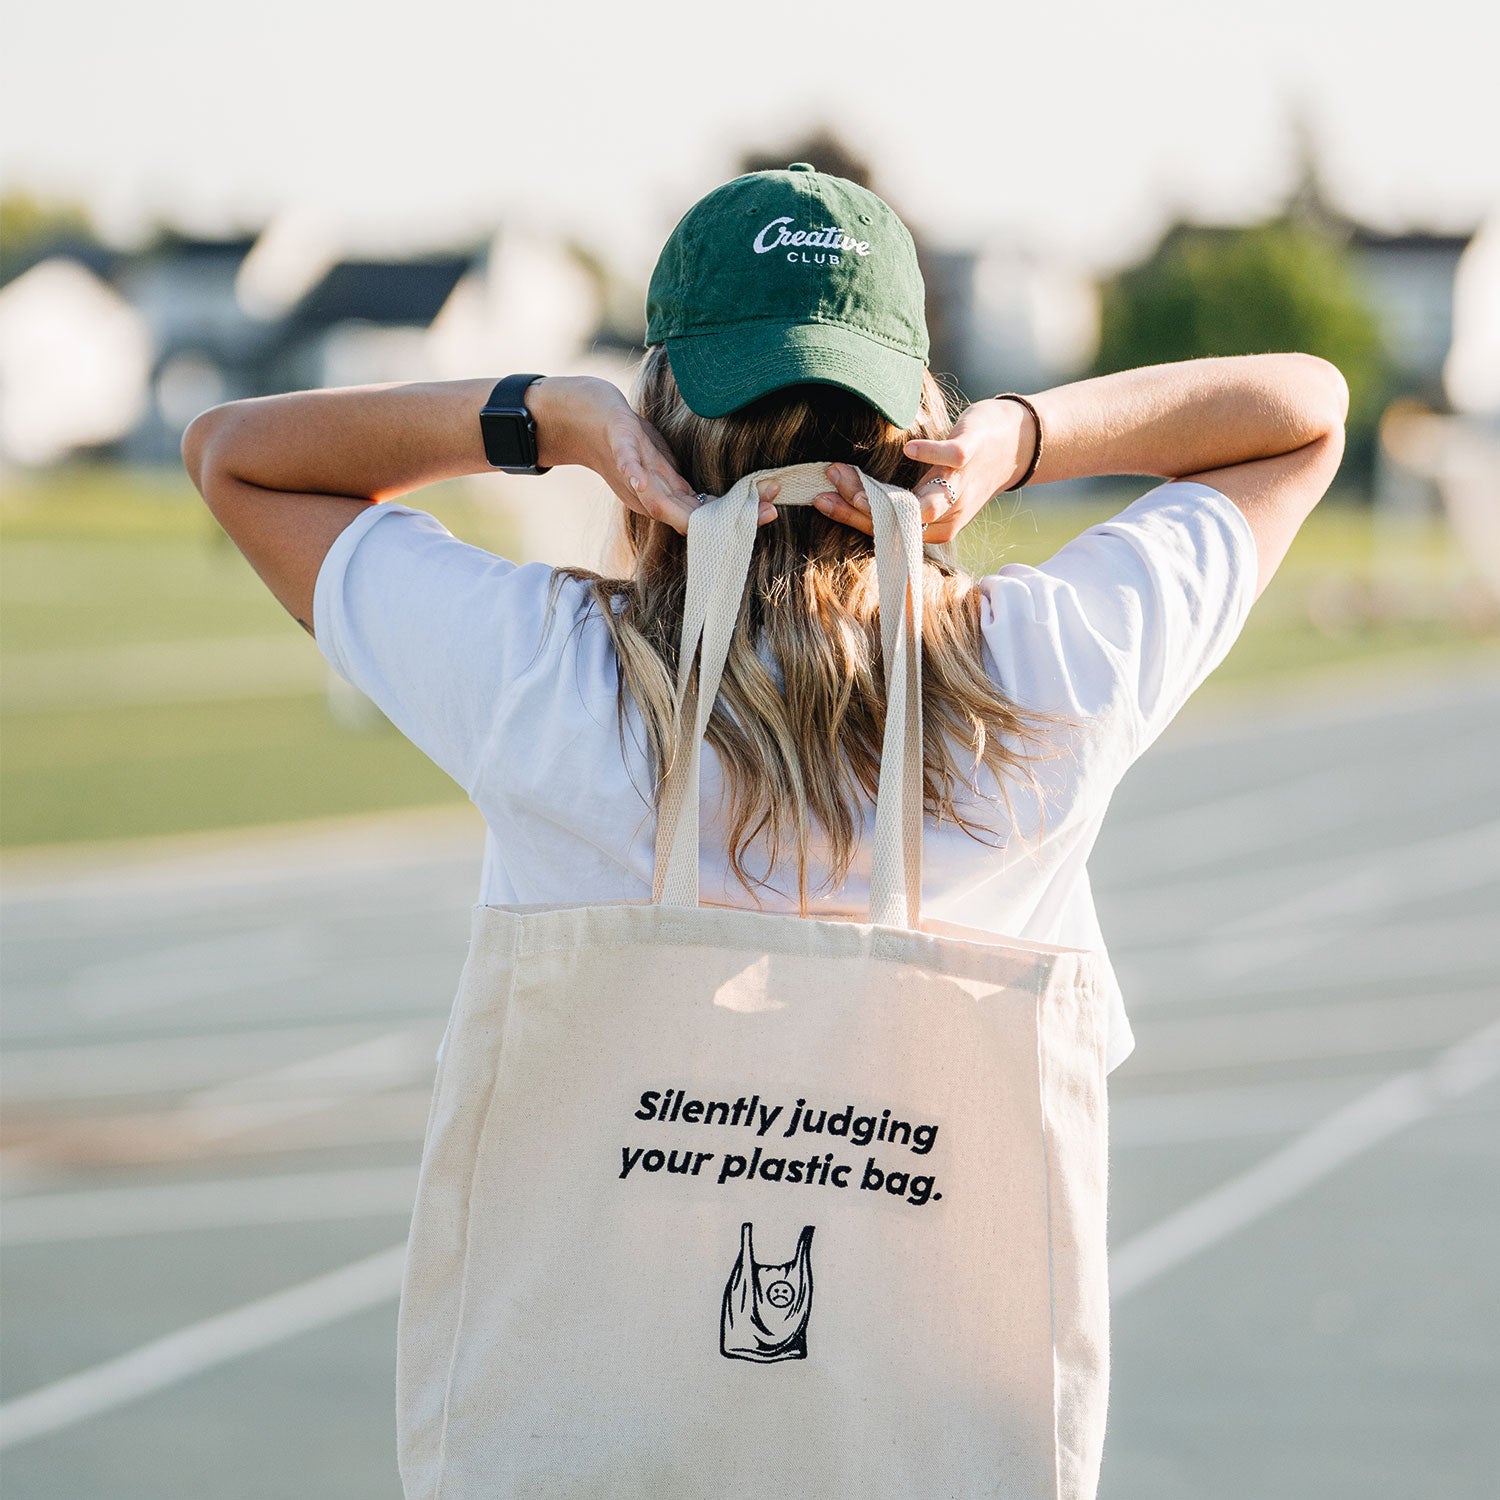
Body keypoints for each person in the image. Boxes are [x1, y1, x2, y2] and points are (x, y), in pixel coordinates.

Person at [182, 162, 1347, 1083]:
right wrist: (1018, 438)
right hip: (936, 1384)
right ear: (912, 419)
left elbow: (236, 457)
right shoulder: (1048, 667)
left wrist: (550, 417)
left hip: (610, 1375)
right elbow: (1304, 415)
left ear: (660, 417)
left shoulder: (542, 672)